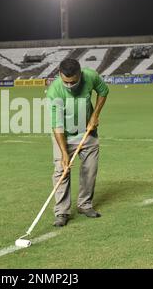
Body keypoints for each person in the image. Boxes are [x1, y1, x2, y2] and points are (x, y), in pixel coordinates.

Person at [46, 58, 109, 227]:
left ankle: (85, 205)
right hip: (63, 135)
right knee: (61, 171)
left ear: (80, 74)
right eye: (66, 82)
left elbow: (103, 91)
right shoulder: (54, 91)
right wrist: (65, 153)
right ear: (60, 75)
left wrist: (95, 115)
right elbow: (57, 125)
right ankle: (61, 212)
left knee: (90, 169)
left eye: (73, 82)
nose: (70, 86)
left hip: (87, 132)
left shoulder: (91, 76)